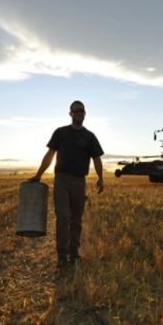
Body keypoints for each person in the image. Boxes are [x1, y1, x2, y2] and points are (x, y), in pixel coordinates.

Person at [29, 100, 104, 268]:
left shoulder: (90, 136)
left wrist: (101, 178)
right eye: (75, 111)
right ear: (70, 114)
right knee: (63, 218)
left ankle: (74, 253)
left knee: (76, 220)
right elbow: (50, 155)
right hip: (61, 180)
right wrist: (39, 174)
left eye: (81, 111)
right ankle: (62, 255)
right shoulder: (60, 133)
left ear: (85, 114)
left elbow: (97, 159)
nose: (78, 113)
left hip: (79, 182)